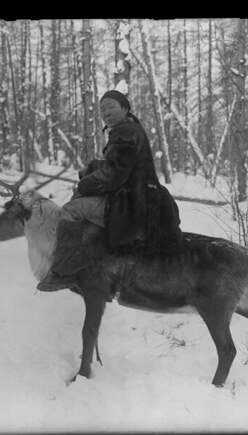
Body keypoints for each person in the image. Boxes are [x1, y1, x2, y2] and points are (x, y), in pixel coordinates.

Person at [37, 90, 184, 292]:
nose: (106, 112)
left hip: (130, 203)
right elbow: (123, 165)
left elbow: (115, 174)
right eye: (102, 109)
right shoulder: (130, 129)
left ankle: (65, 271)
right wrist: (92, 168)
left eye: (111, 106)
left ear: (125, 108)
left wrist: (84, 184)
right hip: (136, 196)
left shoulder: (125, 133)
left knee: (71, 210)